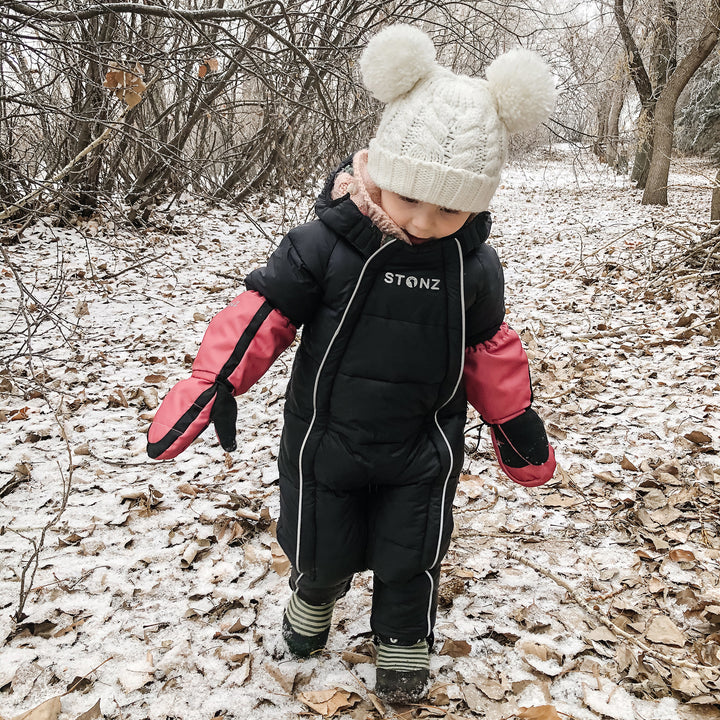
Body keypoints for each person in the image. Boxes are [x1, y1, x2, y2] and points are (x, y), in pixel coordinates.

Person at [146, 24, 557, 704]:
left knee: (412, 554)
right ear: (380, 171)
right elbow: (264, 311)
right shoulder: (325, 243)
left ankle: (403, 644)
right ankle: (311, 601)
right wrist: (213, 378)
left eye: (450, 207)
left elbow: (489, 348)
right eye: (410, 199)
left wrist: (512, 420)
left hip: (422, 444)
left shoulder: (473, 266)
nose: (426, 222)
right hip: (326, 436)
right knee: (318, 542)